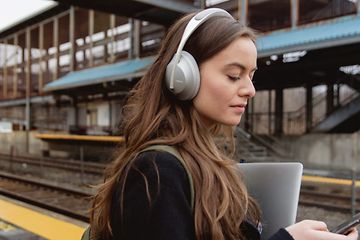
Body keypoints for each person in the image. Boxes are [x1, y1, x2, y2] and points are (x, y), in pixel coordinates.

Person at [89, 8, 358, 240]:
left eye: (251, 75)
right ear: (183, 76)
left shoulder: (203, 161)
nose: (250, 90)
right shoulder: (157, 171)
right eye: (233, 75)